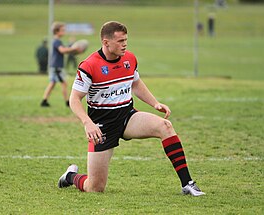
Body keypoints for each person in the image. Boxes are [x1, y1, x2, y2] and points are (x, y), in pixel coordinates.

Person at [58, 21, 205, 196]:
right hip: (102, 126)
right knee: (95, 188)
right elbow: (74, 99)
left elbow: (135, 83)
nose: (125, 44)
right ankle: (70, 176)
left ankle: (187, 184)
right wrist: (87, 123)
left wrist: (155, 103)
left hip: (128, 117)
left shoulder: (130, 59)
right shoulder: (89, 66)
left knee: (165, 126)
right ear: (106, 42)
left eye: (126, 40)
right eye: (120, 41)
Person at [40, 22, 78, 107]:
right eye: (62, 30)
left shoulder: (57, 41)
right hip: (57, 66)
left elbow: (64, 49)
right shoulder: (57, 41)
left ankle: (44, 100)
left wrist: (71, 46)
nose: (64, 32)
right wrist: (73, 49)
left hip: (55, 66)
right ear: (57, 31)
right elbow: (62, 50)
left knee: (52, 83)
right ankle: (67, 102)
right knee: (64, 83)